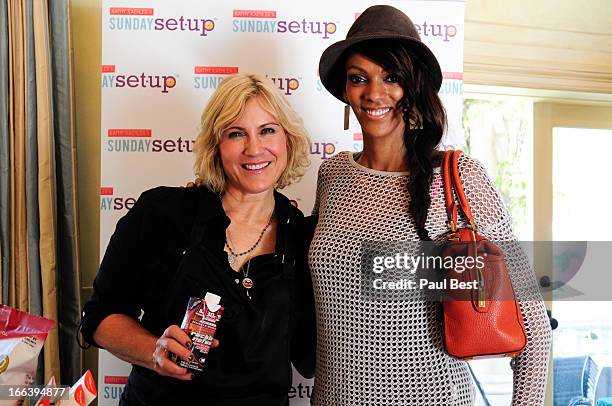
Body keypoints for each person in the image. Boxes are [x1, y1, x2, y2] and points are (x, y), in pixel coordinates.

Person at [311, 5, 552, 405]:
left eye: (391, 77)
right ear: (345, 90)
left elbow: (534, 330)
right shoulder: (332, 176)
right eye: (359, 78)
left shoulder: (459, 179)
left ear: (414, 85)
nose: (374, 93)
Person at [79, 74, 316, 406]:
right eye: (236, 134)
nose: (254, 148)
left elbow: (310, 356)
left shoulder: (306, 239)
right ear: (216, 147)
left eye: (267, 130)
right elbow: (101, 318)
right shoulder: (162, 213)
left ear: (288, 141)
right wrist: (153, 351)